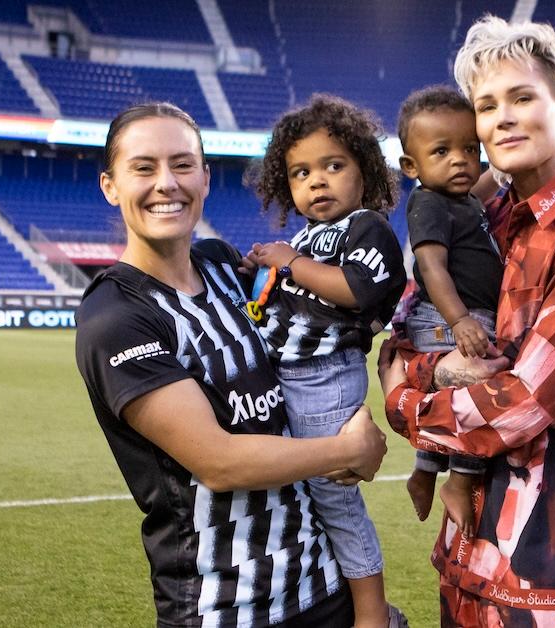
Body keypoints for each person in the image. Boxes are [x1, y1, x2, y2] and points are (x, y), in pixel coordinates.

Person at [380, 16, 555, 627]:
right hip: (471, 545)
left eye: (522, 97)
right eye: (486, 104)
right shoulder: (486, 217)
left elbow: (526, 401)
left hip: (551, 567)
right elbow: (405, 324)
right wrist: (426, 363)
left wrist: (403, 398)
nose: (501, 117)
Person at [75, 102, 387, 627]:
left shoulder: (223, 264)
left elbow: (316, 325)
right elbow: (220, 463)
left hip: (323, 585)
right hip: (230, 607)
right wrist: (346, 448)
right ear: (111, 185)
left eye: (181, 164)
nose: (166, 184)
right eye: (143, 168)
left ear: (205, 176)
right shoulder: (117, 316)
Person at [247, 94, 407, 628]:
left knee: (335, 500)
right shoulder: (306, 236)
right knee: (298, 494)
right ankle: (323, 593)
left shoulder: (367, 228)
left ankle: (371, 615)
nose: (317, 182)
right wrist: (267, 270)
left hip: (323, 378)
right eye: (301, 172)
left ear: (365, 172)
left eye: (333, 166)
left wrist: (290, 263)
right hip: (285, 377)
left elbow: (355, 289)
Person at [394, 85, 502, 535]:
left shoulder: (463, 198)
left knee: (451, 398)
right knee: (479, 391)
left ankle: (423, 468)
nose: (460, 159)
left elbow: (490, 178)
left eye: (469, 149)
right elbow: (432, 267)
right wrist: (460, 322)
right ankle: (460, 479)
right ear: (411, 166)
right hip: (447, 318)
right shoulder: (430, 202)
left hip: (464, 315)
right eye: (442, 151)